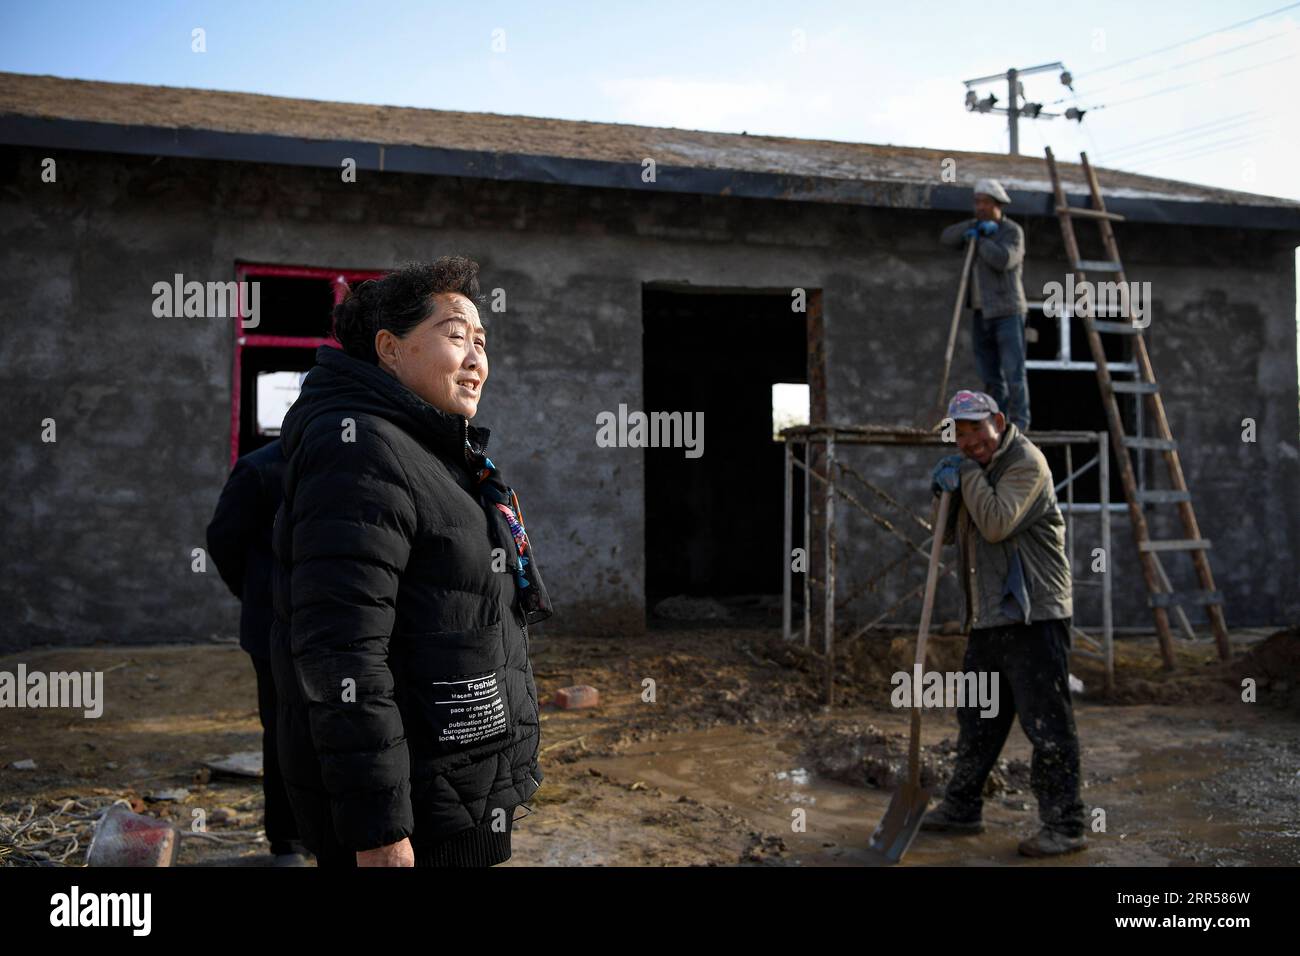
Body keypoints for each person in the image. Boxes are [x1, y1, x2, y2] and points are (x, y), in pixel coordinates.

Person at [269, 257, 552, 867]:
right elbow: (343, 653)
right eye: (456, 336)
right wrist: (380, 831)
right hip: (416, 808)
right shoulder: (359, 448)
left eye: (482, 341)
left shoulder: (432, 449)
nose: (478, 358)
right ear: (389, 349)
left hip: (457, 778)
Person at [922, 389, 1085, 856]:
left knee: (1046, 724)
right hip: (990, 617)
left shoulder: (1024, 463)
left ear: (998, 421)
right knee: (978, 719)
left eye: (976, 432)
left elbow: (995, 523)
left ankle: (1066, 825)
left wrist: (968, 474)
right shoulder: (975, 468)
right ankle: (961, 808)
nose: (969, 443)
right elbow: (948, 534)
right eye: (960, 436)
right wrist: (943, 494)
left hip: (1034, 617)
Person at [206, 438, 308, 866]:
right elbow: (223, 541)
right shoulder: (259, 470)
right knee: (285, 730)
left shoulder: (349, 457)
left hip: (340, 626)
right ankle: (287, 841)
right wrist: (255, 594)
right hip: (273, 630)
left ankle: (321, 836)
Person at [940, 179, 1031, 431]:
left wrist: (981, 241)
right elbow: (947, 238)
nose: (979, 207)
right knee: (990, 375)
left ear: (997, 205)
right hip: (982, 312)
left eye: (984, 202)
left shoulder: (1011, 232)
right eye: (976, 202)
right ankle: (997, 421)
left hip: (1008, 311)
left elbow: (1003, 260)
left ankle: (1021, 423)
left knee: (1014, 372)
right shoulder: (976, 228)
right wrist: (972, 229)